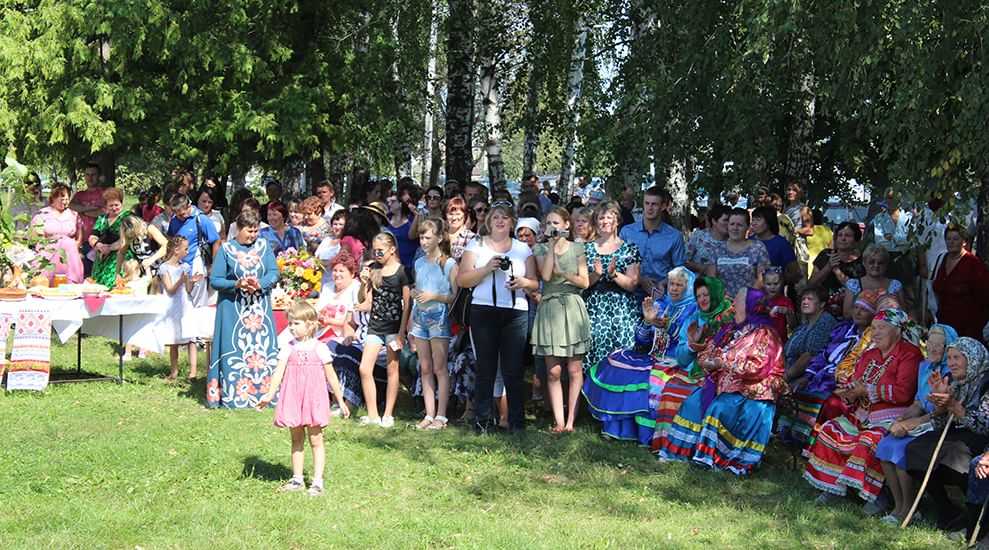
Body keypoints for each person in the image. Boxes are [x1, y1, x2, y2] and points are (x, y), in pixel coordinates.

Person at [655, 287, 786, 474]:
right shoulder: (732, 329)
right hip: (722, 383)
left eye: (739, 299)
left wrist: (722, 363)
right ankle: (678, 453)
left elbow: (759, 368)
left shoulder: (765, 334)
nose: (733, 302)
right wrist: (707, 360)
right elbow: (711, 349)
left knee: (719, 407)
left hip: (750, 391)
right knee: (692, 403)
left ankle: (713, 457)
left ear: (750, 305)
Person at [804, 308, 923, 509]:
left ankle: (876, 496)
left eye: (882, 328)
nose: (875, 333)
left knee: (870, 440)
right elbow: (855, 382)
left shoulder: (909, 354)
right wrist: (849, 392)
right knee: (831, 430)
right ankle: (835, 487)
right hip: (863, 414)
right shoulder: (870, 355)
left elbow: (904, 392)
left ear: (897, 331)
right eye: (874, 328)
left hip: (894, 417)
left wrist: (867, 390)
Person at [584, 266, 695, 445]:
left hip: (676, 362)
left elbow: (684, 343)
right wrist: (647, 321)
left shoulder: (692, 311)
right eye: (671, 284)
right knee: (615, 364)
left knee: (650, 380)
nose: (673, 288)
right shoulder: (661, 305)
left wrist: (666, 326)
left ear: (688, 288)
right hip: (653, 357)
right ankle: (614, 427)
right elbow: (642, 340)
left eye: (679, 285)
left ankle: (641, 432)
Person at [457, 203, 539, 435]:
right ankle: (483, 422)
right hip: (483, 311)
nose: (500, 221)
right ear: (489, 221)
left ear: (512, 222)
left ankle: (516, 423)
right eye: (496, 217)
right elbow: (463, 280)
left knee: (513, 369)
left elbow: (533, 281)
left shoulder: (523, 249)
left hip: (515, 312)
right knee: (486, 369)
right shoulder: (477, 245)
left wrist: (522, 283)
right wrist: (486, 269)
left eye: (505, 218)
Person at [256, 301, 350, 497]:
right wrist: (269, 395)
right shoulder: (287, 348)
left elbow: (332, 376)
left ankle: (317, 481)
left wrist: (341, 401)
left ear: (310, 324)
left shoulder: (321, 348)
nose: (291, 327)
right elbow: (278, 374)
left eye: (296, 323)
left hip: (313, 399)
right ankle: (297, 478)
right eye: (290, 323)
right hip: (293, 398)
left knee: (315, 439)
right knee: (296, 438)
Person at [873, 324, 957, 524]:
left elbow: (942, 412)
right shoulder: (924, 366)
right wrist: (903, 418)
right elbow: (919, 401)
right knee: (885, 446)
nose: (933, 348)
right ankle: (898, 506)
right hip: (921, 419)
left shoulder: (951, 371)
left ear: (949, 347)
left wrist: (912, 423)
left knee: (903, 451)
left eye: (940, 344)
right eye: (930, 342)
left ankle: (911, 509)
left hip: (938, 423)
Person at [776, 290, 879, 450]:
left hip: (841, 382)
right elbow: (823, 355)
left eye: (864, 309)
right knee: (796, 389)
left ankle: (813, 445)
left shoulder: (872, 340)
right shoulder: (844, 329)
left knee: (825, 399)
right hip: (821, 376)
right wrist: (806, 377)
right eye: (856, 307)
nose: (858, 312)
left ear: (873, 315)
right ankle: (791, 437)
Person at [904, 337, 989, 530]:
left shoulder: (986, 382)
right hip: (955, 433)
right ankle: (946, 508)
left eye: (957, 357)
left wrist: (953, 406)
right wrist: (940, 406)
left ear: (971, 358)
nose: (951, 362)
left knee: (953, 452)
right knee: (915, 449)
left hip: (979, 437)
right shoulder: (953, 381)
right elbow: (939, 426)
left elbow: (984, 426)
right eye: (949, 357)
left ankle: (973, 513)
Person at [650, 276, 735, 454]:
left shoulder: (731, 318)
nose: (702, 299)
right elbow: (682, 360)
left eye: (706, 294)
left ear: (716, 294)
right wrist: (691, 344)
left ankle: (699, 447)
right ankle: (670, 445)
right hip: (695, 371)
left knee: (698, 397)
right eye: (698, 296)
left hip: (724, 373)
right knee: (670, 390)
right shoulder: (694, 321)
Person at [207, 211, 279, 409]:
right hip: (233, 310)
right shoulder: (226, 249)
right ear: (238, 229)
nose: (253, 235)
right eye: (249, 231)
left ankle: (265, 393)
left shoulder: (264, 247)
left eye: (256, 231)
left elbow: (274, 272)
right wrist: (236, 284)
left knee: (261, 350)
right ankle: (235, 395)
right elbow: (215, 280)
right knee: (235, 349)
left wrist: (261, 283)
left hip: (259, 309)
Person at [533, 207, 590, 433]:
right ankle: (558, 420)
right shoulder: (539, 248)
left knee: (575, 369)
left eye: (556, 223)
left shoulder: (577, 247)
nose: (553, 226)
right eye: (549, 223)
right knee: (554, 371)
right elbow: (546, 276)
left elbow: (584, 281)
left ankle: (571, 421)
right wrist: (550, 249)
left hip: (573, 305)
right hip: (550, 307)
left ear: (567, 225)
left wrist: (565, 273)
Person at [355, 232, 412, 428]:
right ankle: (372, 414)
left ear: (392, 250)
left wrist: (402, 332)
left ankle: (388, 414)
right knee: (364, 368)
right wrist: (364, 282)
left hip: (393, 328)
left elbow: (407, 305)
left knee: (392, 368)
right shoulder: (373, 269)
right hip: (375, 326)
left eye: (380, 250)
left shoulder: (402, 272)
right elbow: (363, 299)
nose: (377, 254)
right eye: (374, 250)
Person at [411, 218, 459, 430]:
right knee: (425, 367)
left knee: (440, 367)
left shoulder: (449, 264)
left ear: (440, 238)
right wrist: (416, 294)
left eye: (428, 237)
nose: (423, 241)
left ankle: (442, 415)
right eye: (421, 237)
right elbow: (418, 288)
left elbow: (455, 297)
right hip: (420, 317)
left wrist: (435, 296)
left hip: (439, 318)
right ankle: (429, 413)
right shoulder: (419, 262)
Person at [584, 201, 642, 371]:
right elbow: (581, 283)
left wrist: (614, 275)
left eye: (610, 217)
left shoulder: (630, 249)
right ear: (596, 222)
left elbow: (632, 284)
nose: (605, 221)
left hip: (621, 312)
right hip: (594, 310)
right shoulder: (586, 248)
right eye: (601, 218)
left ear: (617, 221)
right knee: (594, 356)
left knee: (621, 359)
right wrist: (596, 275)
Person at [315, 251, 368, 409]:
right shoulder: (327, 287)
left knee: (330, 351)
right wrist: (321, 318)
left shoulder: (357, 288)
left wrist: (330, 320)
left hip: (344, 334)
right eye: (335, 270)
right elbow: (318, 311)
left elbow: (352, 320)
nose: (337, 274)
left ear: (352, 274)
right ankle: (322, 397)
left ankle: (341, 399)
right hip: (323, 331)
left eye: (341, 271)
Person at [619, 186, 686, 297]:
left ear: (663, 206)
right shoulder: (627, 232)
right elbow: (619, 263)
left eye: (654, 204)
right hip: (630, 295)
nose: (650, 208)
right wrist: (640, 280)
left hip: (661, 294)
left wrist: (663, 283)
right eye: (647, 203)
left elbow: (680, 270)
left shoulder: (674, 236)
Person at [932, 224, 989, 342]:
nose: (951, 242)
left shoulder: (973, 264)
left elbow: (985, 296)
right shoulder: (941, 259)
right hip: (944, 325)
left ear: (964, 242)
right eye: (948, 239)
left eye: (955, 239)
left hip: (968, 327)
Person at [158, 237, 203, 380]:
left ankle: (193, 371)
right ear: (177, 251)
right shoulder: (164, 268)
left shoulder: (185, 267)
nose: (188, 251)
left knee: (191, 339)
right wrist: (181, 281)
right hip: (172, 306)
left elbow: (188, 289)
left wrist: (192, 281)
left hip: (185, 304)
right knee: (174, 341)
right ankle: (174, 371)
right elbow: (170, 289)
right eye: (186, 249)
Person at [167, 193, 221, 307]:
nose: (179, 217)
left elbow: (216, 241)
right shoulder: (174, 219)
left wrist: (213, 265)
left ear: (188, 206)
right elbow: (170, 238)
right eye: (177, 214)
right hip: (178, 269)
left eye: (182, 214)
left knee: (197, 306)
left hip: (195, 267)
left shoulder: (201, 219)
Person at [808, 221, 865, 318]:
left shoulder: (861, 262)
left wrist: (836, 270)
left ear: (855, 240)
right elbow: (811, 283)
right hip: (823, 308)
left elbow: (856, 289)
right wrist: (828, 267)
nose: (843, 238)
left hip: (848, 309)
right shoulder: (825, 255)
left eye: (848, 235)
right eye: (840, 235)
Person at [782, 286, 838, 384]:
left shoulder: (825, 321)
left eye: (810, 299)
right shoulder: (804, 326)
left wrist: (785, 378)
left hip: (805, 379)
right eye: (803, 299)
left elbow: (809, 356)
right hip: (787, 374)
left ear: (822, 304)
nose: (805, 302)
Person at [31, 184, 84, 284]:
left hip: (69, 257)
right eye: (61, 199)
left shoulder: (74, 214)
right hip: (49, 255)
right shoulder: (42, 214)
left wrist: (75, 245)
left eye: (67, 199)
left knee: (69, 286)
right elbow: (35, 236)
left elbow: (80, 233)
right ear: (53, 198)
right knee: (45, 284)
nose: (64, 202)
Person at [715, 208, 771, 298]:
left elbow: (762, 278)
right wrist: (724, 298)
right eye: (732, 224)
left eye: (740, 225)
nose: (735, 228)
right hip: (723, 302)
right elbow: (712, 277)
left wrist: (745, 297)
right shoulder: (717, 248)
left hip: (750, 301)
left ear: (747, 227)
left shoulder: (758, 247)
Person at [842, 244, 903, 319]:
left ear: (886, 265)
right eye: (871, 262)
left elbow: (902, 313)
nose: (876, 265)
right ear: (864, 263)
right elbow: (847, 313)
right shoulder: (853, 284)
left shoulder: (895, 285)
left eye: (880, 263)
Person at [88, 187, 132, 287]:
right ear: (106, 206)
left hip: (120, 257)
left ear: (121, 203)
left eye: (117, 205)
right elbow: (93, 236)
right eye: (111, 205)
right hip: (102, 259)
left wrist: (111, 247)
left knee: (116, 285)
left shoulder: (128, 217)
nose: (114, 208)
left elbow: (130, 237)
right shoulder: (102, 219)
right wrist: (99, 245)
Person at [750, 205, 800, 287]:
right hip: (750, 293)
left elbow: (795, 271)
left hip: (773, 296)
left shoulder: (781, 243)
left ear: (769, 222)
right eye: (753, 220)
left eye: (758, 220)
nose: (753, 223)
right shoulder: (748, 241)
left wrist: (777, 284)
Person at [70, 162, 105, 275]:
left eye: (93, 174)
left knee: (96, 275)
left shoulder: (105, 194)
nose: (90, 177)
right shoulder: (79, 195)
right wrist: (90, 208)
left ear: (99, 176)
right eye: (87, 174)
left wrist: (82, 210)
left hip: (99, 241)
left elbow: (103, 212)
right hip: (81, 240)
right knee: (82, 275)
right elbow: (71, 206)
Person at [116, 215, 168, 280]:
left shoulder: (149, 229)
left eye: (134, 234)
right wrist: (117, 273)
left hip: (158, 268)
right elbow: (121, 252)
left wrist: (151, 260)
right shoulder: (127, 235)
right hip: (140, 272)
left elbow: (166, 245)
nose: (133, 237)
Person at [684, 203, 729, 276]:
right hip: (697, 283)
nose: (729, 223)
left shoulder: (733, 241)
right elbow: (684, 260)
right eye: (726, 220)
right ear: (714, 221)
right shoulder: (699, 236)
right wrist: (700, 267)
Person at [384, 193, 418, 271]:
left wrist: (416, 213)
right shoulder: (387, 218)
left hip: (409, 265)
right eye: (389, 201)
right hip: (390, 265)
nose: (389, 204)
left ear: (401, 203)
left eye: (393, 201)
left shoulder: (412, 219)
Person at [762, 268, 795, 343]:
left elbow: (793, 326)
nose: (772, 287)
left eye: (776, 284)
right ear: (763, 283)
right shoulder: (759, 300)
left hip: (779, 341)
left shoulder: (785, 301)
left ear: (781, 283)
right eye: (769, 284)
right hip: (762, 342)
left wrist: (788, 313)